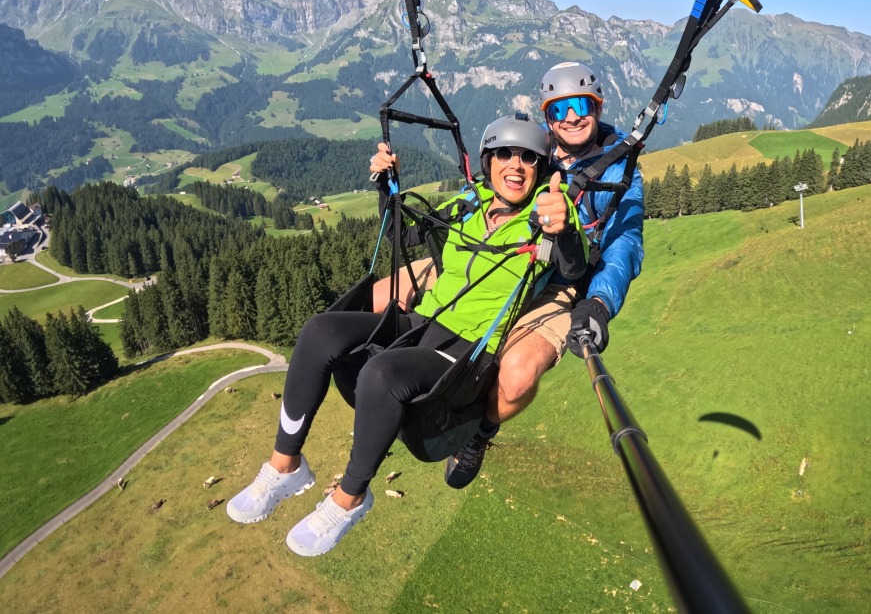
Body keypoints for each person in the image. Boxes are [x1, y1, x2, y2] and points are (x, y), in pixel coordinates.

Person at [226, 113, 586, 556]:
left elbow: (573, 267)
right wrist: (387, 186)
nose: (517, 165)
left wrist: (563, 227)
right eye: (506, 154)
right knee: (320, 330)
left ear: (541, 168)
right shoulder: (468, 207)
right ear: (488, 162)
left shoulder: (548, 214)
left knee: (380, 373)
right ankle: (285, 465)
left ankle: (350, 497)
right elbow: (402, 232)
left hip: (467, 351)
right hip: (425, 322)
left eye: (529, 157)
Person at [444, 61, 645, 488]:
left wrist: (600, 301)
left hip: (562, 283)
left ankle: (478, 435)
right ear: (546, 114)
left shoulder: (618, 169)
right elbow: (489, 187)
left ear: (598, 105)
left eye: (580, 105)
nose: (571, 117)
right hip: (509, 256)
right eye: (559, 109)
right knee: (397, 291)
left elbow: (624, 243)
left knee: (516, 374)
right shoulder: (533, 148)